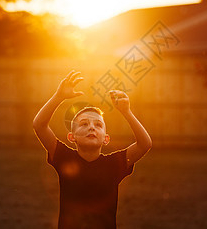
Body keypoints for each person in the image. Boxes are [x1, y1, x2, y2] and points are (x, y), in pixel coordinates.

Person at [33, 70, 152, 229]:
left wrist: (126, 112)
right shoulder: (63, 157)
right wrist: (58, 96)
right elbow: (39, 125)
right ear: (71, 137)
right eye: (83, 124)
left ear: (105, 138)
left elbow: (145, 144)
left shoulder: (114, 164)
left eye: (98, 125)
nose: (91, 128)